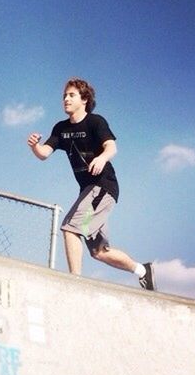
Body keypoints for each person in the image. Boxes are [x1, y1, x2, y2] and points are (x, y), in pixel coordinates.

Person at [27, 78, 156, 290]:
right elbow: (43, 154)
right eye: (64, 96)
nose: (66, 99)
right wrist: (35, 146)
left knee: (70, 228)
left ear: (84, 99)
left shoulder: (95, 122)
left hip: (103, 187)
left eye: (71, 95)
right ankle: (143, 271)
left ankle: (75, 284)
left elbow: (111, 147)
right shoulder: (61, 129)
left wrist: (101, 158)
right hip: (88, 192)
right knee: (98, 251)